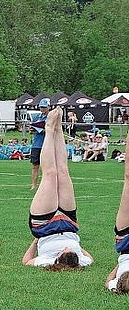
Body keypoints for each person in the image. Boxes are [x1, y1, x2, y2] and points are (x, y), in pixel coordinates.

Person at [22, 107, 94, 270]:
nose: (67, 250)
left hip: (45, 225)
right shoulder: (81, 260)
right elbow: (90, 258)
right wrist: (77, 244)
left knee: (50, 175)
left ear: (58, 258)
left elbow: (26, 261)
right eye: (72, 252)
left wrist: (36, 241)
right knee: (62, 171)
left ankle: (49, 129)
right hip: (69, 223)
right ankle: (59, 127)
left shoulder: (47, 260)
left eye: (65, 252)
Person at [107, 131, 129, 293]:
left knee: (128, 180)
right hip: (123, 245)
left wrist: (120, 263)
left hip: (124, 245)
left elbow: (108, 280)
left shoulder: (116, 285)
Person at [30, 98, 50, 189]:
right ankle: (34, 185)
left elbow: (52, 130)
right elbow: (31, 129)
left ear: (48, 107)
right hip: (36, 144)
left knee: (46, 167)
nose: (42, 109)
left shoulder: (51, 117)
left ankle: (45, 185)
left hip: (46, 144)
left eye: (44, 107)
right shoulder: (36, 117)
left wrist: (42, 130)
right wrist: (32, 129)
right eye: (41, 107)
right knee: (35, 165)